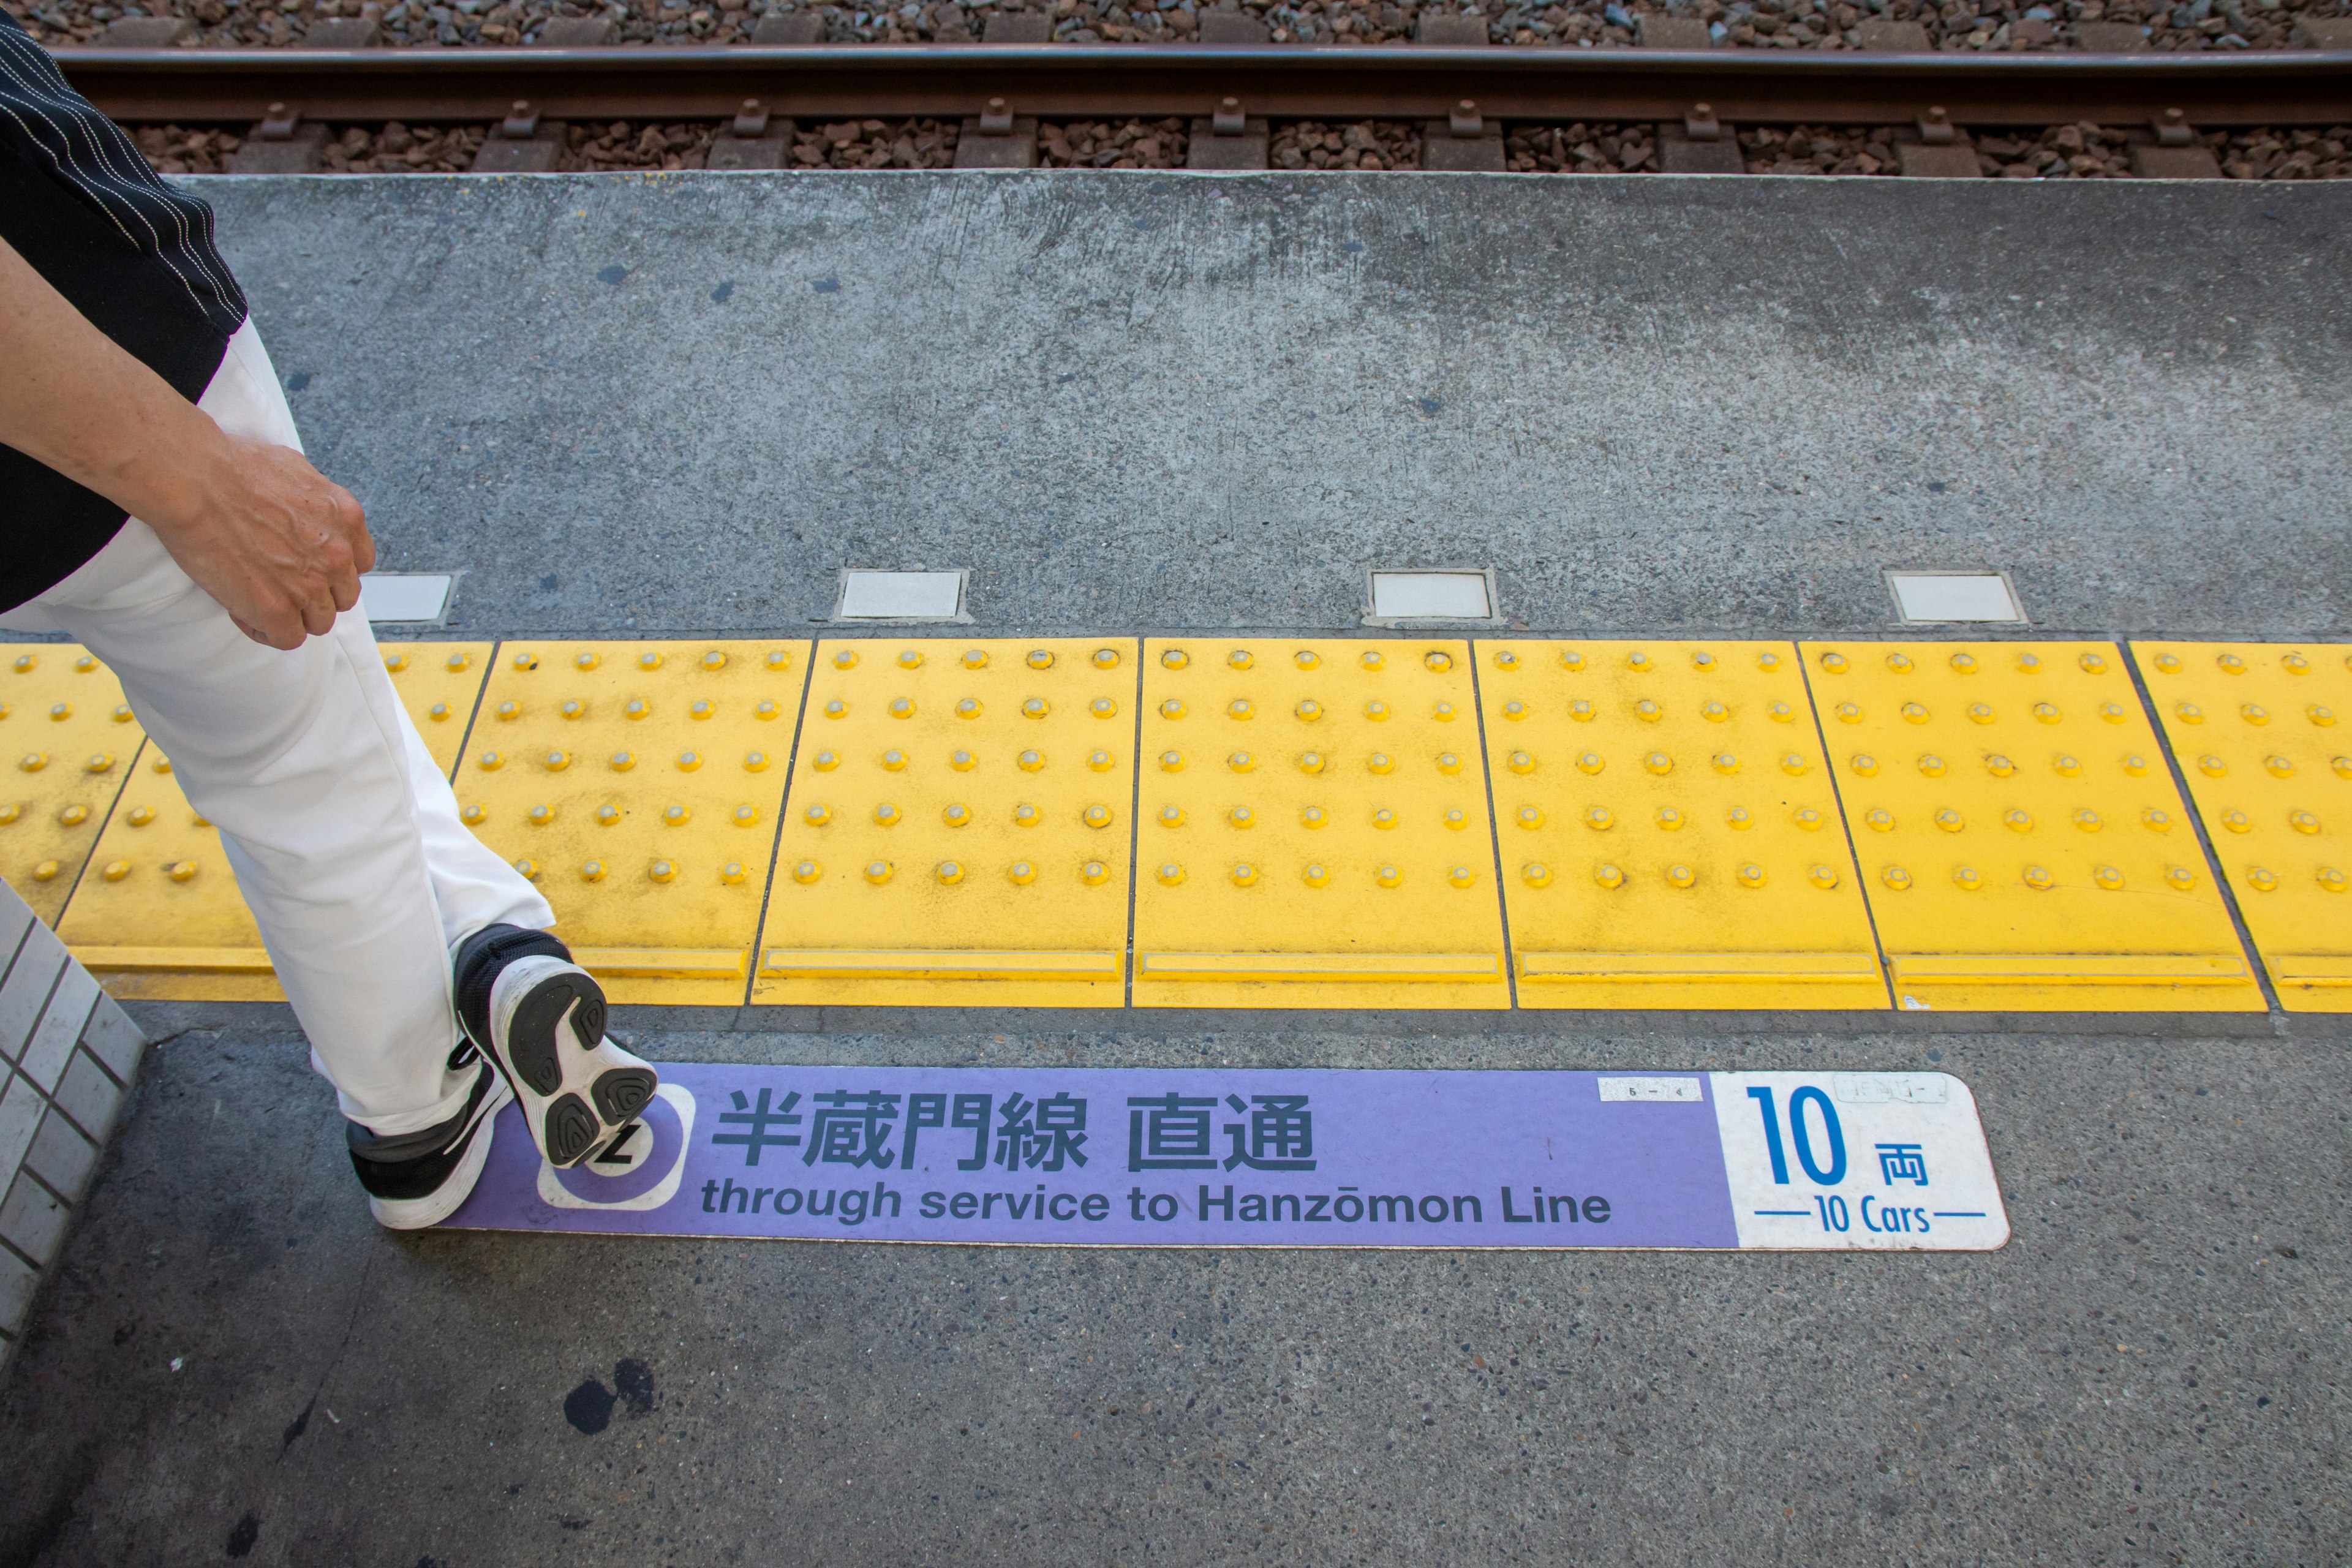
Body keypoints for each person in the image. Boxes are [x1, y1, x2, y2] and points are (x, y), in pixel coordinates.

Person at [0, 9, 658, 1228]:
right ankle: (414, 1117)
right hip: (113, 390)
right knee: (306, 774)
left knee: (316, 735)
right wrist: (189, 473)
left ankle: (494, 943)